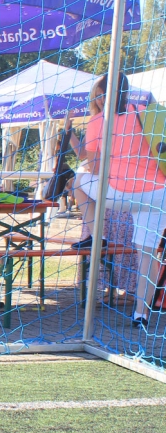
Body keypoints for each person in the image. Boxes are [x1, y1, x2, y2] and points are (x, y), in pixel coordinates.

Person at [67, 72, 166, 328]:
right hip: (157, 193)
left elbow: (92, 166)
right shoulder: (145, 112)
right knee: (148, 256)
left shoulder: (98, 121)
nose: (99, 100)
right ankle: (141, 314)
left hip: (120, 193)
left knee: (78, 180)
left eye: (100, 95)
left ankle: (97, 235)